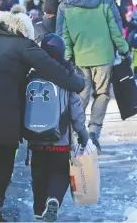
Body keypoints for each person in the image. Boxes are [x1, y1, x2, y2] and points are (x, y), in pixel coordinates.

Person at [0, 5, 85, 222]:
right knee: (4, 156)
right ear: (22, 29)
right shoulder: (22, 45)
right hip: (4, 107)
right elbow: (51, 68)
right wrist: (76, 82)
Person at [56, 0, 130, 152]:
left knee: (80, 95)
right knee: (102, 94)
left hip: (79, 58)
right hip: (104, 56)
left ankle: (76, 133)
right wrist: (123, 50)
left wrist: (65, 57)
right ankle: (94, 131)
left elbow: (62, 35)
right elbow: (115, 28)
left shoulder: (65, 4)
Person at [28, 34, 89, 222]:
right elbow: (76, 109)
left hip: (36, 137)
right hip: (60, 138)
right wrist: (82, 132)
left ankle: (39, 211)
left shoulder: (32, 75)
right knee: (60, 172)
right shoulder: (66, 76)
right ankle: (54, 198)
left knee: (38, 175)